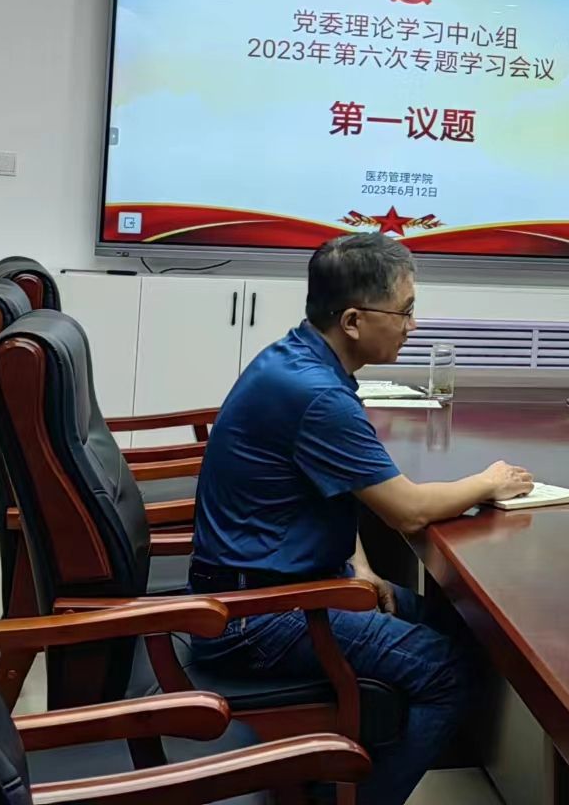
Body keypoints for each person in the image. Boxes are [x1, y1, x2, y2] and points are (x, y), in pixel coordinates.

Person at [189, 234, 536, 805]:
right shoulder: (318, 396)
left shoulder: (297, 359)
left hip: (268, 587)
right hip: (258, 618)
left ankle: (351, 768)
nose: (412, 326)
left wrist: (360, 566)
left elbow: (323, 489)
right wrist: (488, 482)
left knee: (460, 625)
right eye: (404, 312)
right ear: (352, 321)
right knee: (449, 670)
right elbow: (408, 511)